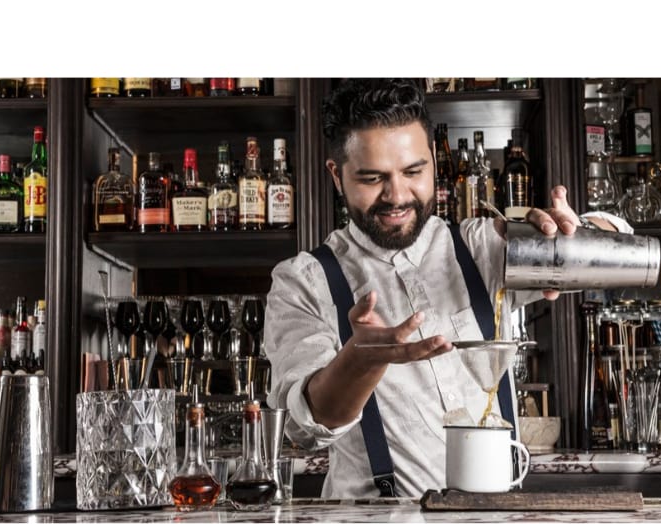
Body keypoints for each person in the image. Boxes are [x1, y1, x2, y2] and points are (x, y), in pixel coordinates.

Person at [263, 78, 631, 499]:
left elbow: (621, 243)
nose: (397, 195)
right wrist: (359, 362)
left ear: (434, 162)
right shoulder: (303, 280)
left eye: (413, 171)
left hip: (496, 521)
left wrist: (574, 234)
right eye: (371, 178)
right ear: (337, 174)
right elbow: (307, 428)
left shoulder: (485, 248)